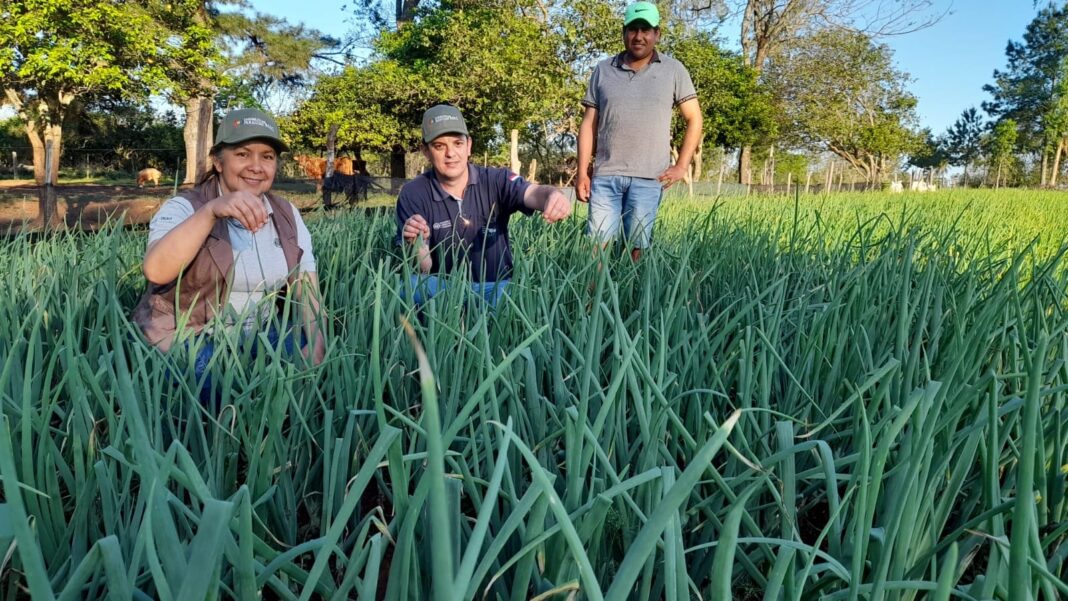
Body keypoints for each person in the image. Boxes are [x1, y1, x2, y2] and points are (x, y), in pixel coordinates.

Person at [131, 107, 325, 402]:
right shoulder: (185, 208)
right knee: (219, 388)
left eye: (267, 156)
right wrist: (211, 212)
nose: (256, 166)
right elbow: (156, 270)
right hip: (192, 337)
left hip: (260, 336)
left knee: (301, 377)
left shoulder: (286, 213)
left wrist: (315, 343)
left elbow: (307, 287)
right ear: (218, 162)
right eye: (243, 154)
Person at [397, 104, 572, 306]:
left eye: (457, 143)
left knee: (516, 297)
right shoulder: (413, 193)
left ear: (469, 145)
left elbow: (533, 193)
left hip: (495, 286)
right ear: (425, 151)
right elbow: (423, 269)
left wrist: (552, 195)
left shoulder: (497, 179)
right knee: (408, 288)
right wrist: (419, 244)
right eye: (439, 146)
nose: (450, 153)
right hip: (442, 287)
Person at [576, 1, 703, 262]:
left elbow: (695, 119)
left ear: (657, 34)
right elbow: (588, 124)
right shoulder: (603, 69)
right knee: (596, 249)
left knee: (637, 250)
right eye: (633, 29)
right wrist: (581, 172)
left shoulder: (674, 70)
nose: (638, 36)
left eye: (645, 30)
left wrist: (681, 166)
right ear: (624, 32)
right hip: (606, 176)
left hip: (648, 178)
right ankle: (591, 302)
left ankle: (633, 301)